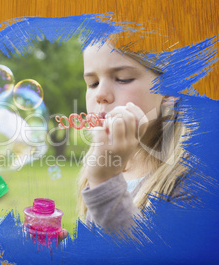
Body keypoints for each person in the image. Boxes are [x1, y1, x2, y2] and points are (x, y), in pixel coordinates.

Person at [73, 40, 192, 237]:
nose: (100, 94)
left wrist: (105, 184)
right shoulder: (99, 166)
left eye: (123, 78)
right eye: (92, 83)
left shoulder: (191, 182)